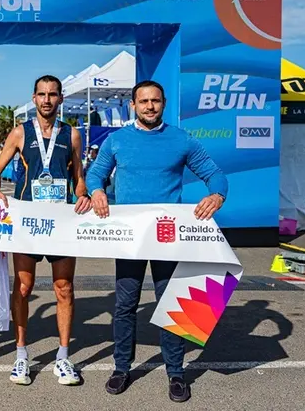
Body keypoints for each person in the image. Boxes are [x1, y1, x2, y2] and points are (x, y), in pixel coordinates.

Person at [85, 80, 228, 403]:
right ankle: (122, 368)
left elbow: (215, 174)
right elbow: (95, 174)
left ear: (163, 103)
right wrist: (96, 190)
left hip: (168, 237)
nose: (150, 106)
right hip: (130, 238)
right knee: (125, 305)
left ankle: (176, 373)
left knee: (172, 304)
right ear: (133, 105)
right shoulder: (117, 140)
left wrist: (217, 195)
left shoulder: (181, 139)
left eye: (155, 101)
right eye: (143, 101)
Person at [0, 75, 91, 386]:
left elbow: (78, 176)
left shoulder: (72, 134)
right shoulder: (20, 132)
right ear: (34, 98)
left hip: (61, 224)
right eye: (42, 94)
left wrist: (84, 193)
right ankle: (21, 355)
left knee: (64, 288)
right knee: (23, 288)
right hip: (28, 225)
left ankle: (63, 357)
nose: (47, 100)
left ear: (60, 99)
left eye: (53, 94)